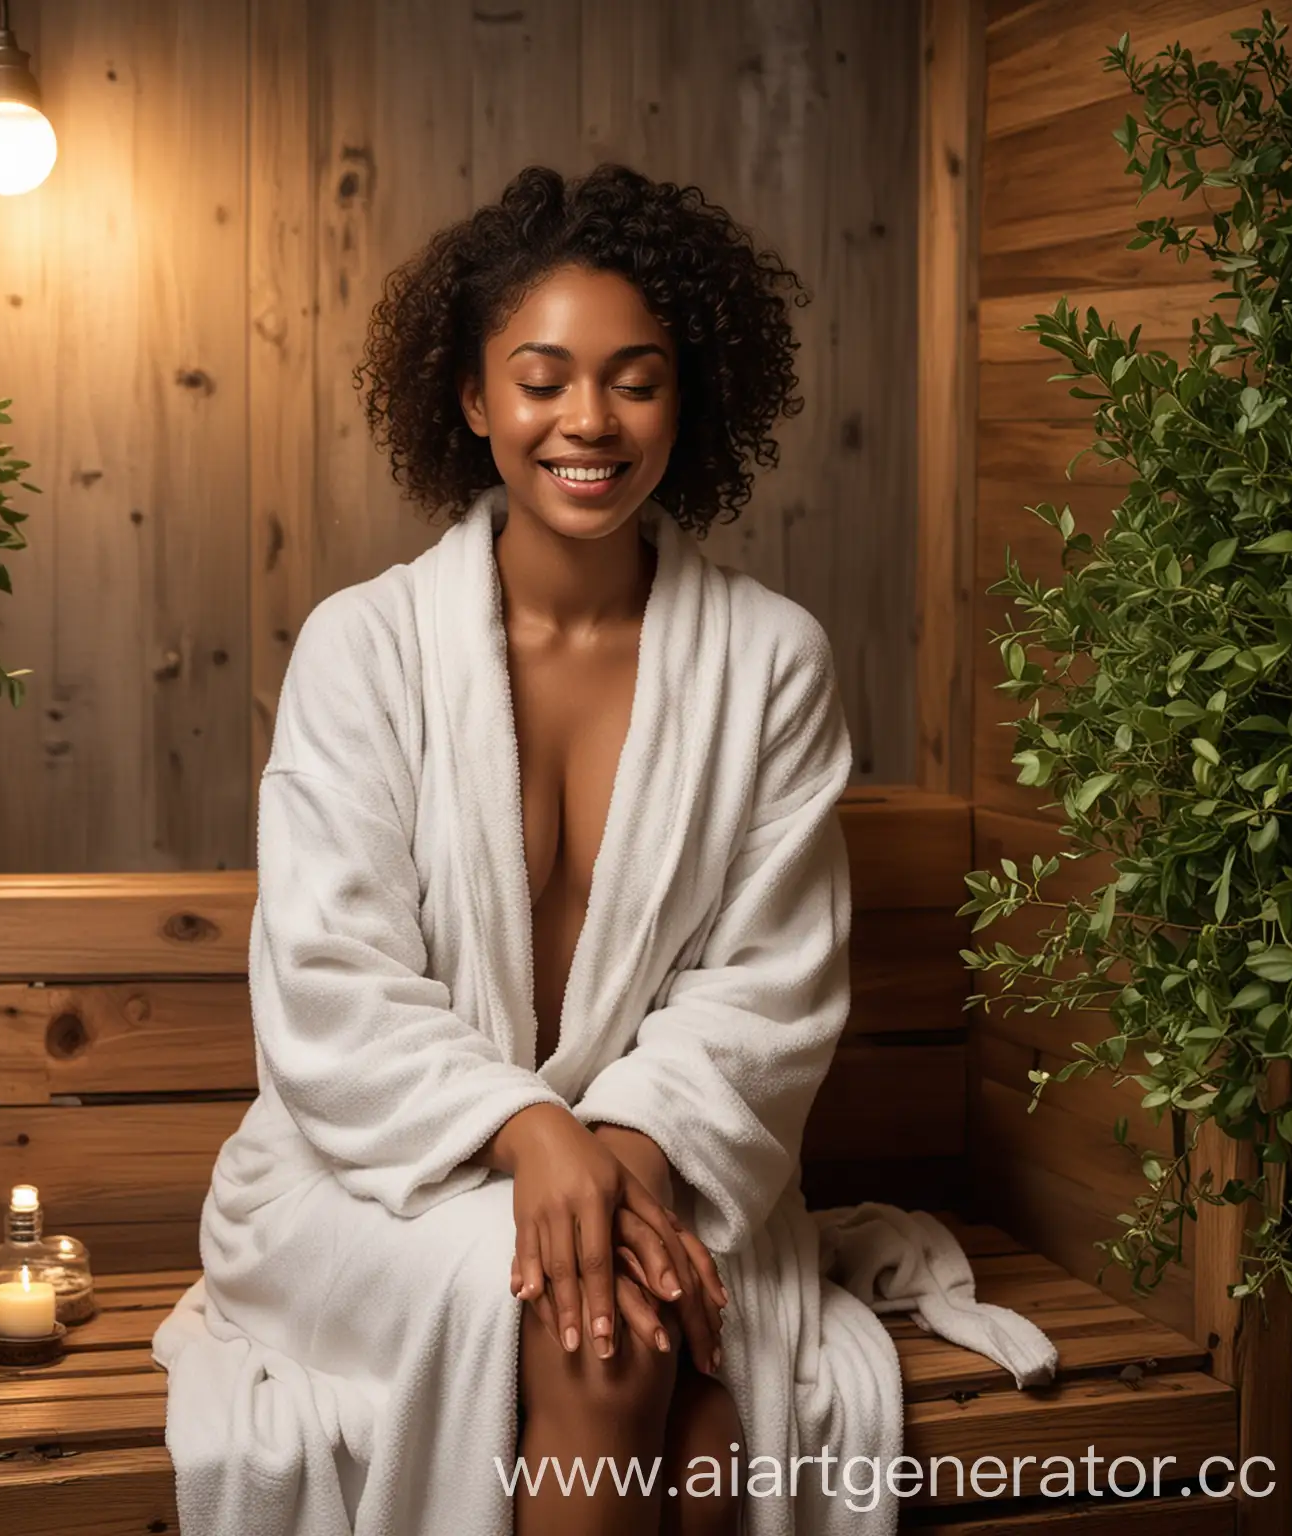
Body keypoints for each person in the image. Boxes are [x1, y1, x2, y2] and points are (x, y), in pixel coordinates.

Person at [158, 162, 868, 1536]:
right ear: (475, 400)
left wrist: (624, 1153)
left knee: (655, 1389)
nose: (587, 420)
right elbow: (328, 977)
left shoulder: (771, 662)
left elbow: (774, 983)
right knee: (611, 1343)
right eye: (542, 379)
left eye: (635, 378)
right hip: (380, 1178)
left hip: (674, 1165)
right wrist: (528, 1129)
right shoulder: (367, 651)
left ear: (689, 397)